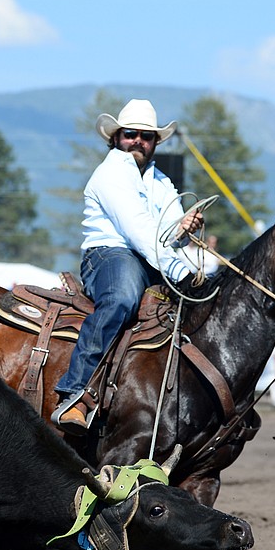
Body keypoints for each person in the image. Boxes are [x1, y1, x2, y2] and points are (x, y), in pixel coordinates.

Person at [50, 99, 204, 435]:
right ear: (117, 137)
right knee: (121, 297)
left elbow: (166, 234)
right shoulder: (111, 173)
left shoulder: (162, 182)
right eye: (131, 133)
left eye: (146, 136)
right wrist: (181, 272)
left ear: (155, 142)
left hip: (149, 256)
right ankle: (75, 392)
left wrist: (182, 229)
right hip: (109, 254)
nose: (138, 140)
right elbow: (140, 232)